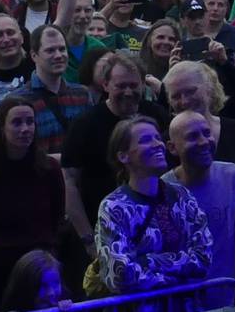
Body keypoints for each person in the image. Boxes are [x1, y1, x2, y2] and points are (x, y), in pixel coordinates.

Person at [0, 97, 65, 312]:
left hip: (40, 268)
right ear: (1, 126)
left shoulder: (50, 169)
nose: (25, 129)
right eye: (17, 122)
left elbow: (56, 217)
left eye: (30, 122)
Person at [90, 116, 211, 303]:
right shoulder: (114, 207)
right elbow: (119, 275)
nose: (157, 144)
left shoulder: (181, 196)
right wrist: (178, 276)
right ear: (123, 156)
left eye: (157, 138)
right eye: (146, 140)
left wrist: (147, 261)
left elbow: (203, 258)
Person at [60, 52, 166, 242]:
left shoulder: (158, 116)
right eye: (120, 86)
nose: (128, 92)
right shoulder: (85, 124)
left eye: (133, 85)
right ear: (105, 85)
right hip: (102, 229)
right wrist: (87, 238)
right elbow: (69, 182)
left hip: (155, 229)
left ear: (143, 84)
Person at [165, 112, 235, 297]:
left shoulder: (234, 176)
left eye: (207, 133)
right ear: (172, 147)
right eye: (192, 137)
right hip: (183, 306)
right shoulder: (163, 191)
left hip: (227, 298)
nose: (203, 141)